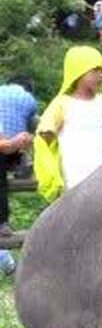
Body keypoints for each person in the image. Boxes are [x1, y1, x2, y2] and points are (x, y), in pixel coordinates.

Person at [36, 46, 102, 193]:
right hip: (74, 180)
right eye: (95, 70)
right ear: (78, 72)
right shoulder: (62, 104)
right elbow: (44, 137)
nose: (101, 75)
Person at [0, 76, 38, 237]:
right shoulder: (28, 99)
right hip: (13, 147)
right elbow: (32, 124)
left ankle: (2, 223)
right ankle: (22, 163)